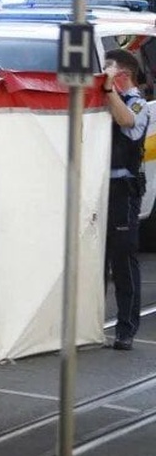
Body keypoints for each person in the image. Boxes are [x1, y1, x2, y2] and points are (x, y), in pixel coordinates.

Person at [102, 49, 150, 350]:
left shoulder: (140, 104)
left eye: (109, 68)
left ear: (124, 75)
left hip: (124, 188)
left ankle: (126, 329)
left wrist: (108, 90)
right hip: (99, 187)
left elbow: (127, 122)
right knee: (97, 261)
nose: (103, 72)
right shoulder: (104, 98)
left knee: (123, 260)